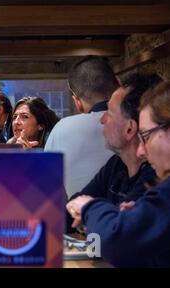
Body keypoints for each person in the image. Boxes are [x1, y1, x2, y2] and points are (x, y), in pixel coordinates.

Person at [67, 80, 170, 267]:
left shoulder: (158, 181)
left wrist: (91, 208)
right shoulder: (117, 164)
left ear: (130, 128)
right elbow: (74, 207)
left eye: (146, 136)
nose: (141, 151)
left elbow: (118, 240)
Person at [45, 56, 118, 197]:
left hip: (80, 215)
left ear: (77, 102)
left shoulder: (62, 129)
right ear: (117, 86)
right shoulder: (140, 122)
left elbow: (48, 186)